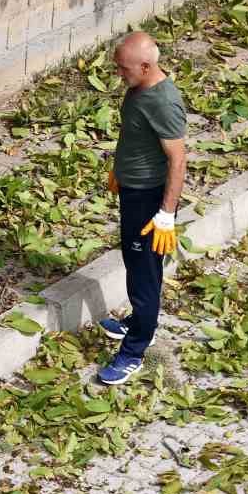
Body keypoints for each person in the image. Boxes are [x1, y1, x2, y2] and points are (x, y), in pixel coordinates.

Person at [96, 32, 188, 386]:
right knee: (136, 263)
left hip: (150, 200)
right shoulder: (140, 88)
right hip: (133, 190)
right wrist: (120, 169)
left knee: (145, 277)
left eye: (123, 68)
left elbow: (177, 162)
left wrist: (165, 215)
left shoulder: (163, 103)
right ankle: (138, 323)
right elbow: (135, 137)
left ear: (146, 66)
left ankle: (134, 351)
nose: (119, 73)